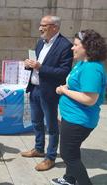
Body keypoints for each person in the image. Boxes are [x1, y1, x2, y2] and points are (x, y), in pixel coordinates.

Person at [51, 29, 107, 185]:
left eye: (75, 45)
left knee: (68, 154)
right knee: (72, 150)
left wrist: (64, 91)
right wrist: (65, 87)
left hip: (80, 120)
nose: (72, 48)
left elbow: (89, 99)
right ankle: (69, 179)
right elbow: (75, 85)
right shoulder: (82, 63)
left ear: (87, 47)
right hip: (71, 116)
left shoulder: (92, 69)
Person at [21, 15, 73, 171]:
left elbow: (64, 72)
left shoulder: (65, 45)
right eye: (40, 24)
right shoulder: (40, 42)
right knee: (36, 122)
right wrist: (29, 65)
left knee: (51, 126)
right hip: (35, 88)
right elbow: (36, 65)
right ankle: (38, 148)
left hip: (49, 92)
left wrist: (40, 67)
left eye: (44, 25)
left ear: (55, 27)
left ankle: (50, 157)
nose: (40, 28)